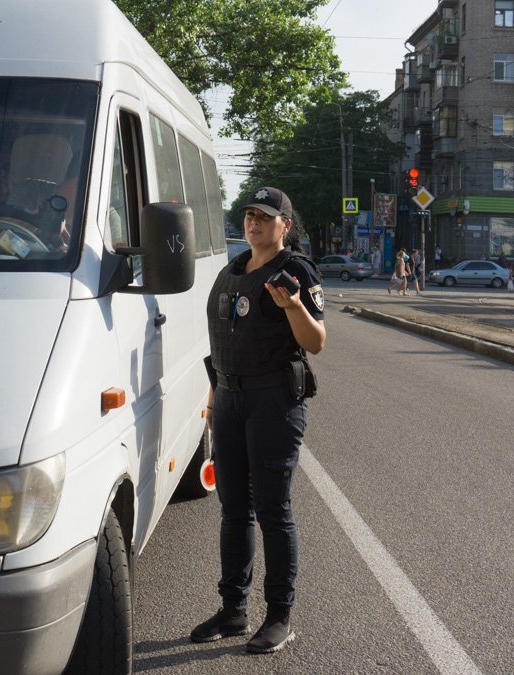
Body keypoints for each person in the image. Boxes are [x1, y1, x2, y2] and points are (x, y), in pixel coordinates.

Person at [192, 186, 326, 655]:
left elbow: (316, 342)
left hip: (273, 401)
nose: (254, 222)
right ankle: (233, 610)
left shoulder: (296, 271)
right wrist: (215, 400)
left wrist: (293, 307)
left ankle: (279, 617)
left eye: (266, 217)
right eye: (250, 214)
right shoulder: (233, 270)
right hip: (230, 398)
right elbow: (223, 340)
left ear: (284, 225)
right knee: (233, 509)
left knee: (272, 509)